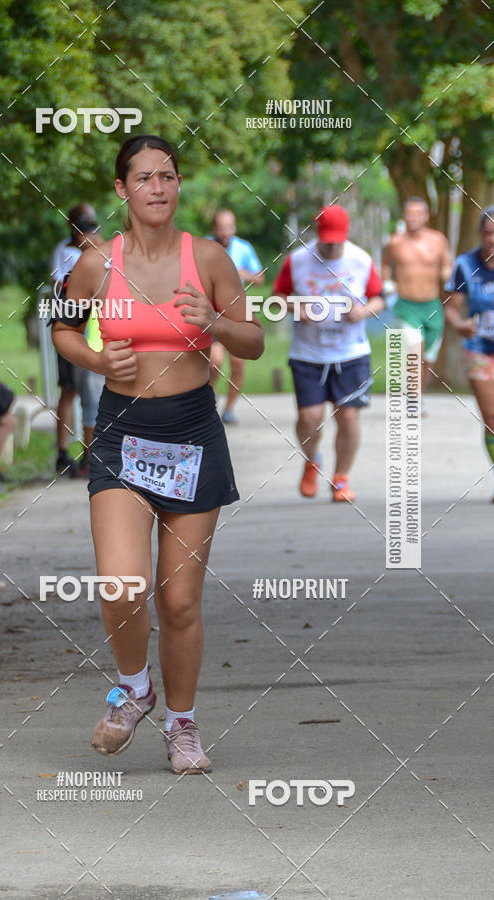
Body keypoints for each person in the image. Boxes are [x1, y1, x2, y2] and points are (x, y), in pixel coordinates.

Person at [52, 135, 263, 774]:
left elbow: (252, 340)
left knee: (177, 602)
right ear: (121, 189)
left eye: (167, 176)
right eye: (142, 178)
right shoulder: (96, 263)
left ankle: (182, 723)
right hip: (122, 431)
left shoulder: (209, 257)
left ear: (179, 185)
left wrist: (215, 323)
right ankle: (134, 686)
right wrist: (93, 356)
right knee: (122, 584)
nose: (156, 188)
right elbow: (60, 325)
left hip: (192, 432)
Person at [273, 204, 385, 502]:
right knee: (309, 417)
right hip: (308, 352)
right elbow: (276, 299)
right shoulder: (297, 260)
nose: (331, 245)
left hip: (350, 352)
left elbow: (379, 299)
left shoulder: (360, 259)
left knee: (348, 416)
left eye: (337, 240)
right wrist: (297, 307)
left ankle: (341, 479)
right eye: (326, 239)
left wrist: (364, 311)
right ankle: (311, 461)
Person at [445, 206, 494, 500]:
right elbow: (450, 308)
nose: (492, 239)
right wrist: (460, 324)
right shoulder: (466, 264)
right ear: (480, 234)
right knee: (491, 417)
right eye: (487, 233)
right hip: (479, 348)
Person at [50, 204, 103, 477]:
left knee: (96, 396)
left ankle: (92, 456)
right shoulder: (65, 251)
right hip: (76, 334)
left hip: (97, 338)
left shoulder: (103, 252)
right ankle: (71, 453)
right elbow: (60, 289)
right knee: (74, 392)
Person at [382, 197, 453, 399]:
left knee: (428, 358)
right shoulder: (395, 242)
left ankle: (417, 396)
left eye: (417, 213)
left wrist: (447, 274)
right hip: (406, 306)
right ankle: (413, 399)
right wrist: (388, 283)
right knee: (415, 350)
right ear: (404, 215)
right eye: (409, 213)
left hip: (431, 306)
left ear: (425, 216)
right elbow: (386, 265)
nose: (412, 218)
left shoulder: (438, 240)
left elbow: (447, 264)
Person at [209, 209, 264, 424]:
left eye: (229, 228)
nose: (225, 232)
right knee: (214, 363)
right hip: (211, 314)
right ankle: (209, 401)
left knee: (238, 363)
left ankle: (229, 409)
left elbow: (260, 278)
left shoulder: (243, 248)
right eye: (221, 228)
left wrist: (243, 274)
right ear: (214, 228)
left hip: (236, 312)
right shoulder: (204, 246)